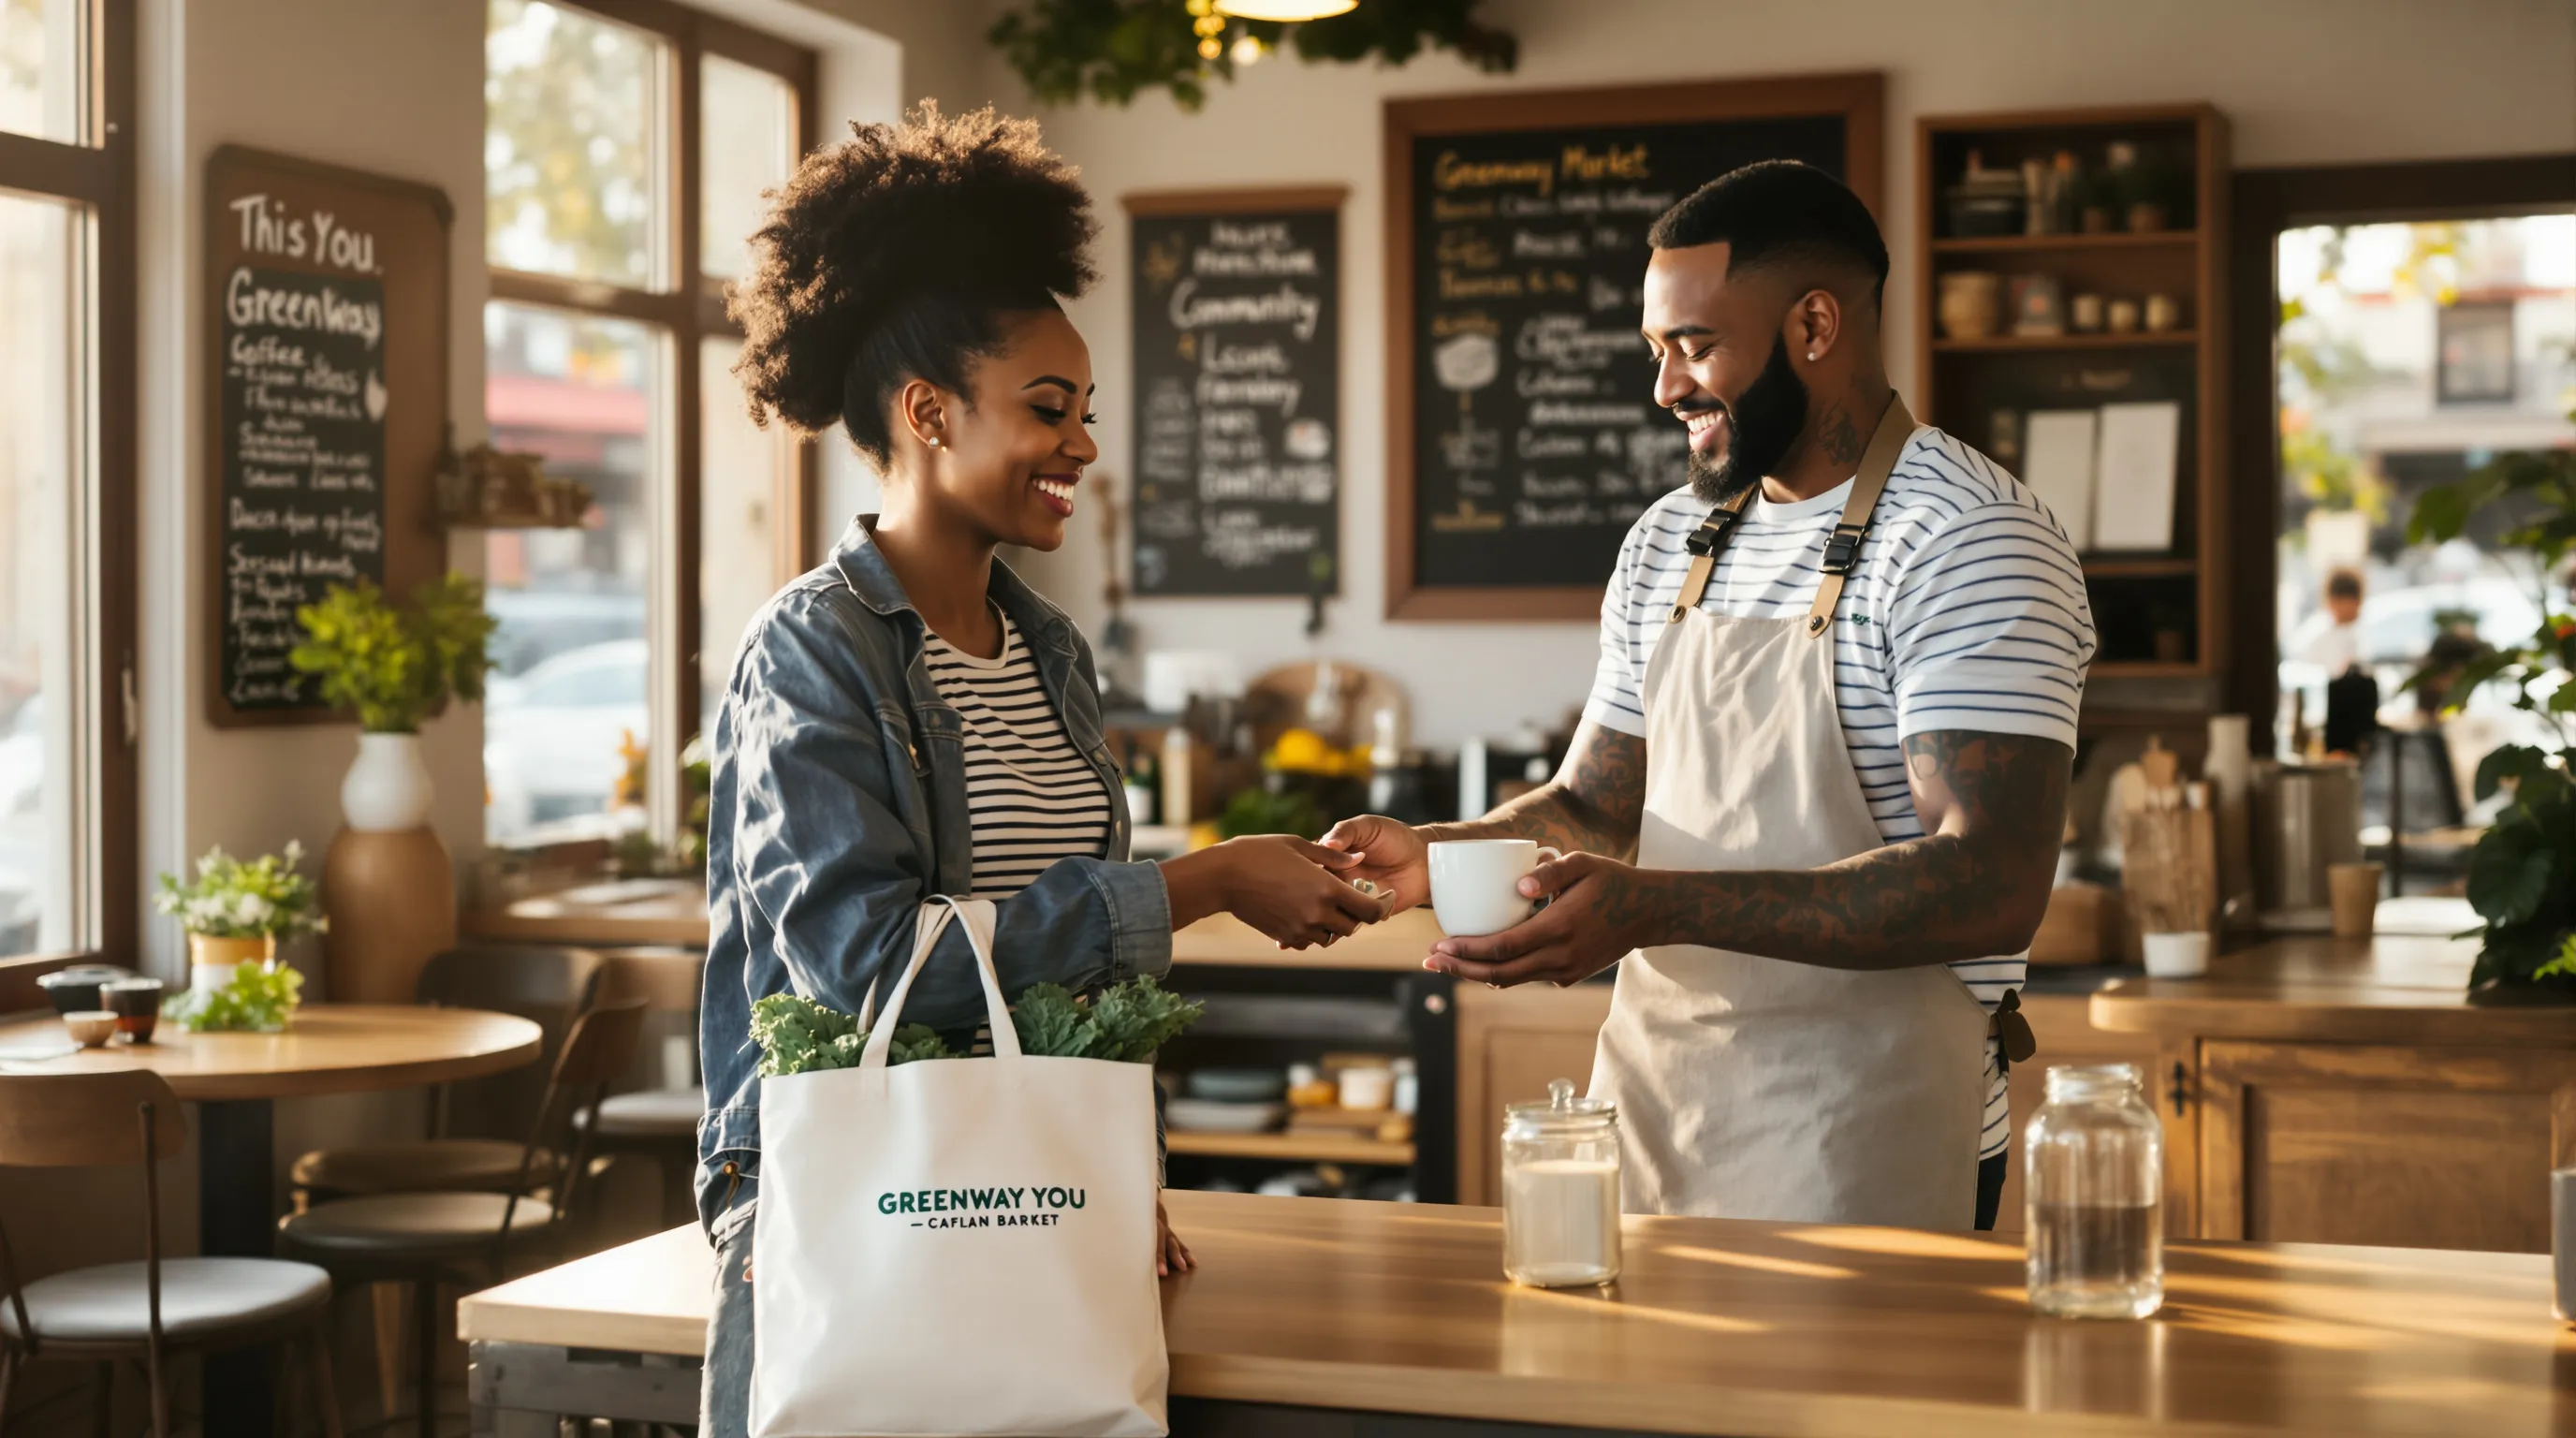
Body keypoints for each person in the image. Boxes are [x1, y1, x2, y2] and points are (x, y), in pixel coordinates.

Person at [694, 104, 1383, 1435]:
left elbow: (1052, 980)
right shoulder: (813, 651)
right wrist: (1207, 881)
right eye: (1049, 410)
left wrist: (1099, 1164)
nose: (1082, 445)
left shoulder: (1047, 649)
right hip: (864, 1207)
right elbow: (876, 965)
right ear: (926, 411)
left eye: (1086, 412)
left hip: (1017, 1192)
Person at [1327, 161, 2095, 1232]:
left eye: (1693, 347)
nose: (1665, 389)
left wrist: (1657, 905)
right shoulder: (1669, 541)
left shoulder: (1968, 537)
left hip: (1866, 1127)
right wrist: (1443, 855)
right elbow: (1595, 806)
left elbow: (1991, 882)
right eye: (1657, 352)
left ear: (1814, 325)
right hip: (1654, 1111)